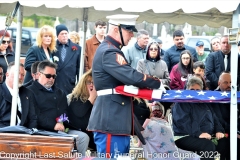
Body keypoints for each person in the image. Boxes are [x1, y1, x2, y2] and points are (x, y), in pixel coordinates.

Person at [87, 14, 165, 158]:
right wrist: (156, 82)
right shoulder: (109, 51)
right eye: (129, 31)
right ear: (117, 30)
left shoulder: (110, 49)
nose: (131, 35)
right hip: (111, 119)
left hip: (116, 119)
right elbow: (131, 76)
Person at [27, 60, 89, 155]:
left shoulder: (60, 92)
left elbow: (64, 111)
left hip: (60, 129)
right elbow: (34, 114)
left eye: (54, 76)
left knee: (83, 137)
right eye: (48, 76)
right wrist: (53, 125)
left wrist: (60, 122)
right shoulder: (30, 91)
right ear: (39, 75)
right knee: (64, 140)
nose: (51, 79)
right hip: (41, 130)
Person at [172, 76, 230, 160]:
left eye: (198, 90)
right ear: (187, 89)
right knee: (207, 146)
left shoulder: (204, 102)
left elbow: (214, 118)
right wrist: (199, 133)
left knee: (224, 142)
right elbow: (183, 123)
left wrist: (218, 130)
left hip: (207, 135)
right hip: (185, 136)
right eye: (192, 90)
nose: (195, 93)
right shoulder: (181, 102)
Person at [0, 61, 37, 128]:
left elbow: (32, 118)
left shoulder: (27, 93)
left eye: (23, 75)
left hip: (24, 134)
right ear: (7, 74)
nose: (20, 77)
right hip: (3, 133)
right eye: (17, 73)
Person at [67, 69, 97, 151]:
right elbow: (79, 113)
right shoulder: (76, 97)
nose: (91, 85)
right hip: (77, 131)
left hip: (93, 133)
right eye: (88, 82)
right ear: (83, 84)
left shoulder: (99, 100)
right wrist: (91, 98)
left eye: (94, 83)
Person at [53, 24, 81, 95]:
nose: (64, 35)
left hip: (69, 83)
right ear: (57, 35)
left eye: (66, 33)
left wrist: (79, 85)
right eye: (62, 34)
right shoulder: (52, 47)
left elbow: (79, 68)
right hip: (56, 82)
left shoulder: (77, 48)